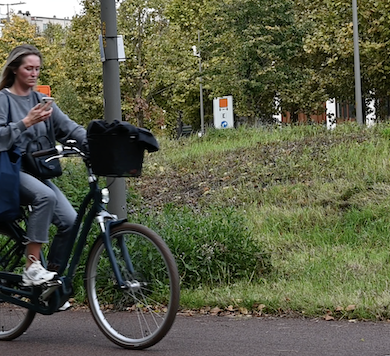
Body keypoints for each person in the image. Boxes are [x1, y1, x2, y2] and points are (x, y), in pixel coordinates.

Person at [0, 44, 87, 288]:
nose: (34, 73)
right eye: (29, 68)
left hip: (37, 172)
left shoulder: (42, 101)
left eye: (38, 69)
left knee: (70, 222)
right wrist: (26, 122)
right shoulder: (3, 99)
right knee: (45, 197)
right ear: (16, 69)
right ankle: (31, 268)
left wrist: (95, 142)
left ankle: (52, 283)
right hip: (11, 171)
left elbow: (69, 128)